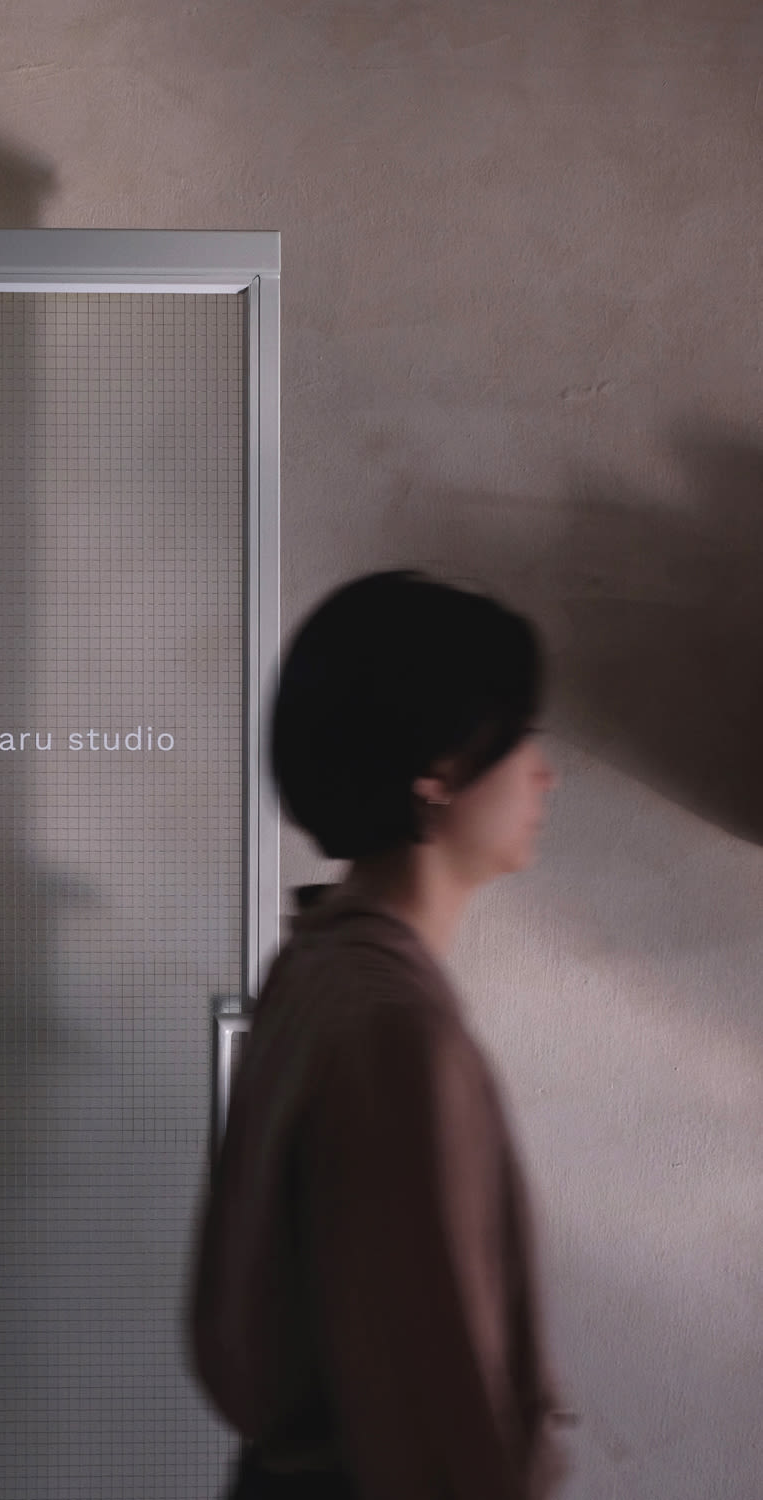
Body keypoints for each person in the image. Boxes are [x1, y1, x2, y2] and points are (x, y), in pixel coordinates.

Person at [189, 570, 576, 1500]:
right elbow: (435, 1411)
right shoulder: (394, 1030)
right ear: (438, 772)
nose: (544, 773)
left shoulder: (316, 966)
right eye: (522, 736)